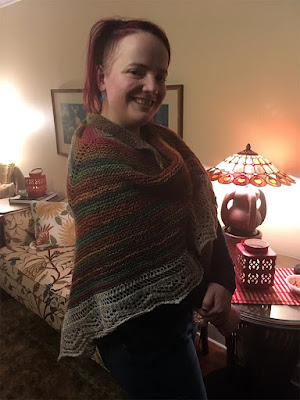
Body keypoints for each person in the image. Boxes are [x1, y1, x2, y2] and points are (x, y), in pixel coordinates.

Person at [59, 17, 240, 399]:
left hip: (179, 326)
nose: (153, 87)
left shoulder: (167, 144)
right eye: (137, 72)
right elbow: (139, 262)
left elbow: (203, 217)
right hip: (139, 343)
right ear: (103, 77)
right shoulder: (95, 159)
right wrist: (219, 310)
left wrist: (224, 279)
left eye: (160, 74)